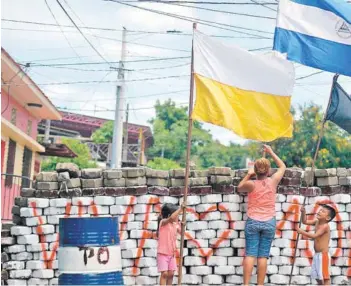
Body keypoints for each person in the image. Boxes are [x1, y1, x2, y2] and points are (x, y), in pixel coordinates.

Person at [237, 145, 286, 286]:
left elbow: (240, 187)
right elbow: (283, 167)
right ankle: (260, 285)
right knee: (263, 256)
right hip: (269, 221)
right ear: (269, 170)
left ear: (255, 170)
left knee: (250, 254)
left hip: (253, 221)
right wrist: (271, 151)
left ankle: (246, 284)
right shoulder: (273, 181)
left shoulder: (251, 184)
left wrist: (248, 174)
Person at [297, 204, 336, 285]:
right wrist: (303, 212)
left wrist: (302, 232)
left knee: (325, 277)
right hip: (317, 255)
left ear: (327, 218)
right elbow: (304, 221)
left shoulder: (325, 226)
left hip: (323, 255)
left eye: (323, 211)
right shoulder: (317, 222)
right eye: (320, 210)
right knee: (317, 277)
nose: (320, 211)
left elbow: (315, 235)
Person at [157, 203, 183, 286]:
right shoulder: (163, 222)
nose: (177, 217)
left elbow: (182, 232)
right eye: (177, 215)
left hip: (172, 254)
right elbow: (171, 218)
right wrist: (181, 208)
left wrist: (182, 225)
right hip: (162, 254)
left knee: (171, 274)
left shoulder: (175, 225)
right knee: (164, 273)